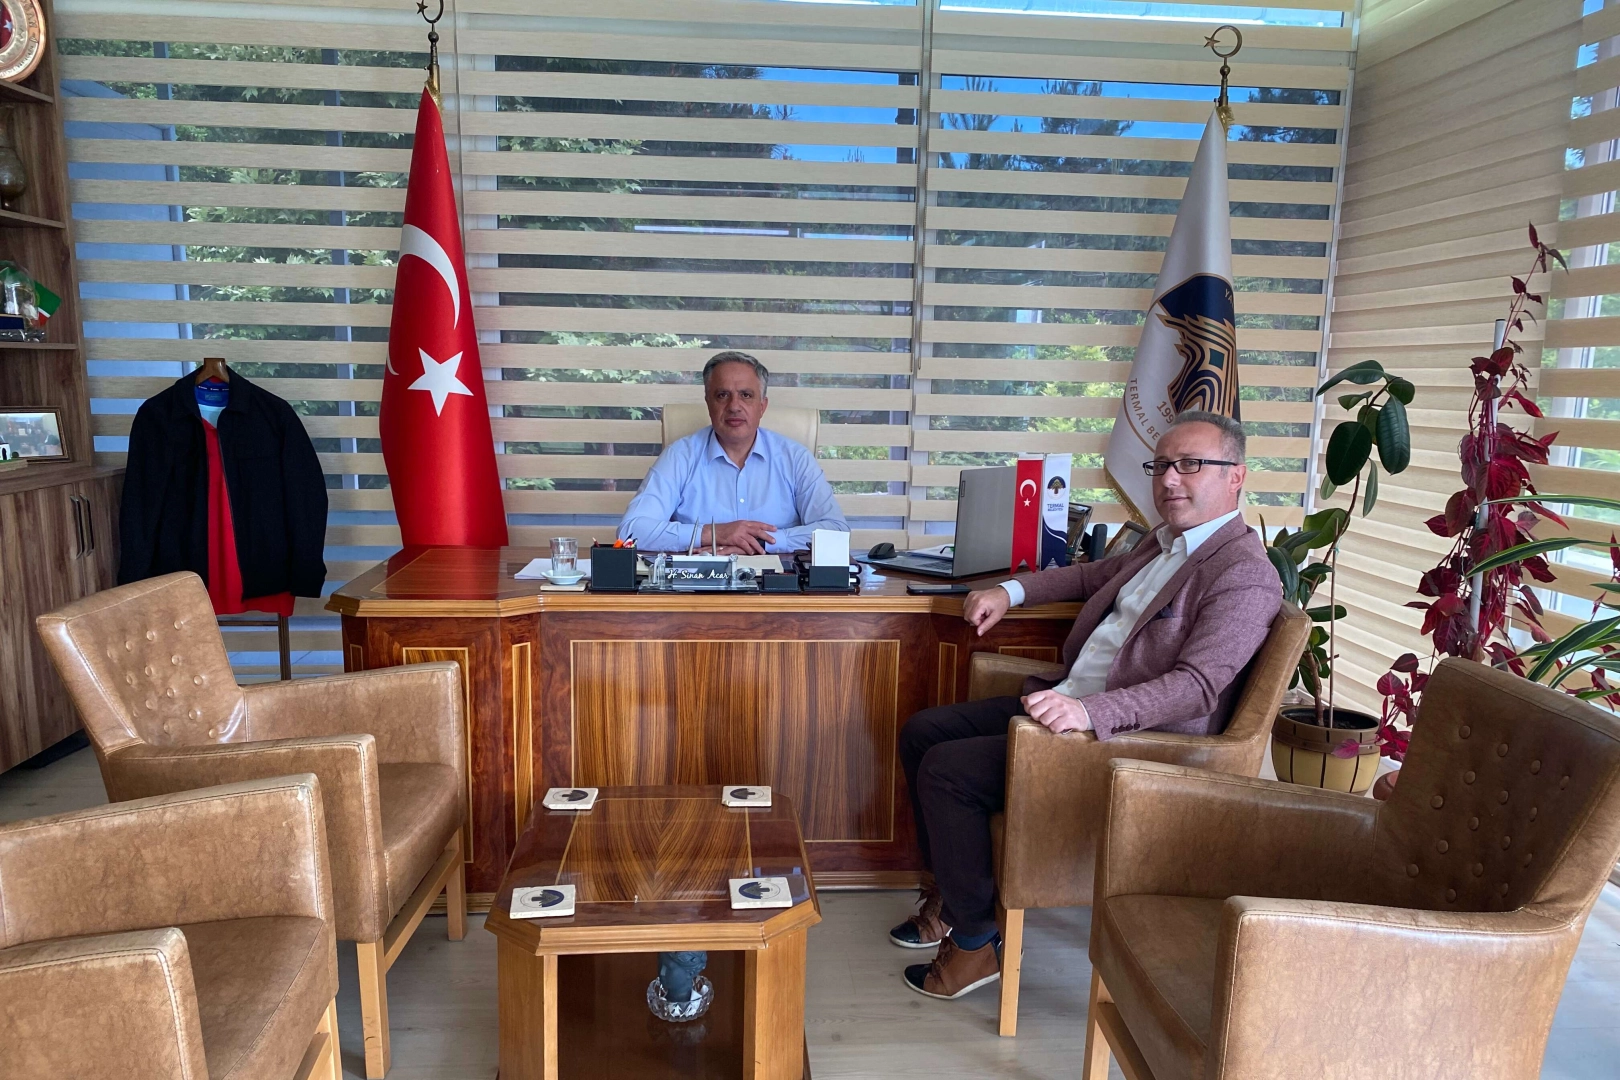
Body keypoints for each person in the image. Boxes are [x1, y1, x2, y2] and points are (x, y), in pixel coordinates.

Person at [891, 409, 1282, 1001]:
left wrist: (1091, 714)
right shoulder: (1162, 542)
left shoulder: (1243, 573)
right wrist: (1009, 590)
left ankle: (975, 944)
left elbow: (1197, 687)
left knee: (949, 773)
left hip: (1130, 743)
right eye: (1161, 465)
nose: (1169, 479)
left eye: (1190, 465)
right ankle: (952, 899)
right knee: (923, 732)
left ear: (1236, 476)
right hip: (1069, 705)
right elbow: (1087, 577)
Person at [618, 351, 848, 554]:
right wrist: (713, 533)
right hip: (699, 582)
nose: (734, 406)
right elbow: (631, 531)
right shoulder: (679, 456)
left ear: (762, 406)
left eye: (746, 395)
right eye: (722, 395)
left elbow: (836, 532)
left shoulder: (795, 458)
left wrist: (762, 542)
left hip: (779, 582)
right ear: (708, 403)